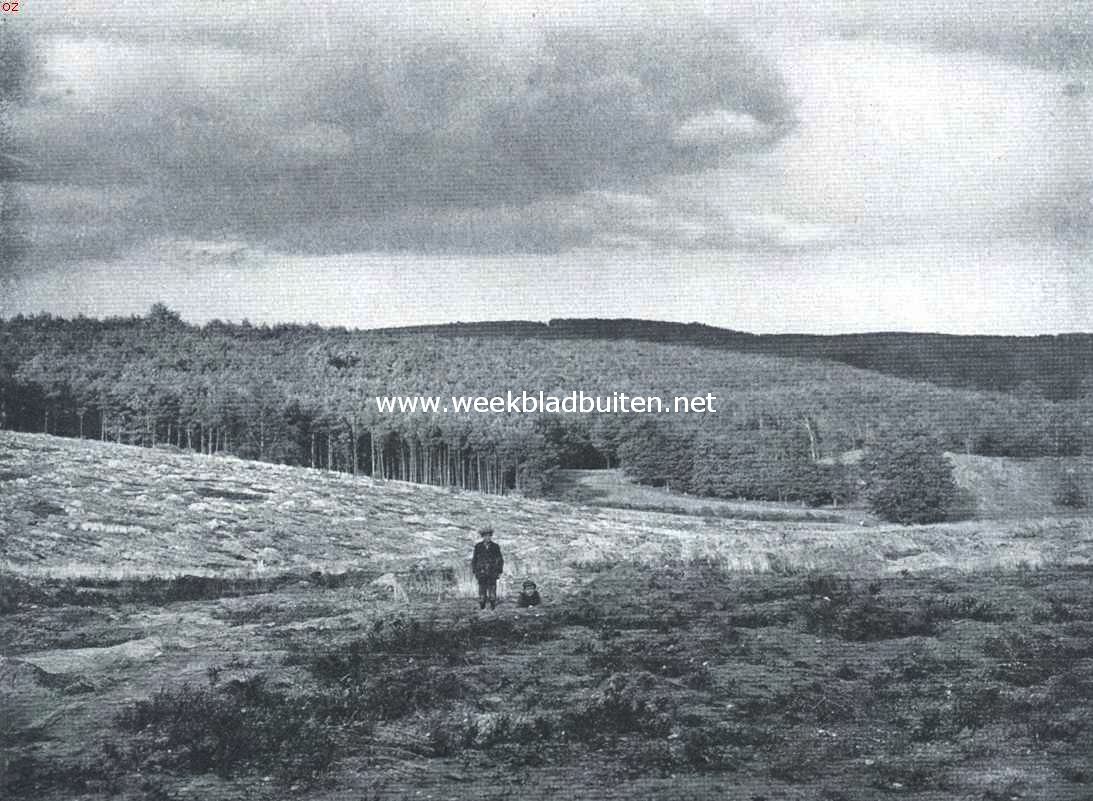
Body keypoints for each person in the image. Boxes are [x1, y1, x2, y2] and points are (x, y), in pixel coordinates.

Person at [471, 526, 503, 610]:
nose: (487, 537)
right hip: (481, 573)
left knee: (492, 592)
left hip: (492, 572)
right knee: (482, 592)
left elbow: (500, 559)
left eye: (489, 535)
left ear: (491, 536)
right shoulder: (478, 546)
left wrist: (499, 571)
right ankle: (482, 607)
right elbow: (474, 559)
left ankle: (493, 607)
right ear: (482, 536)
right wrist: (475, 571)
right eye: (485, 536)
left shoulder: (495, 546)